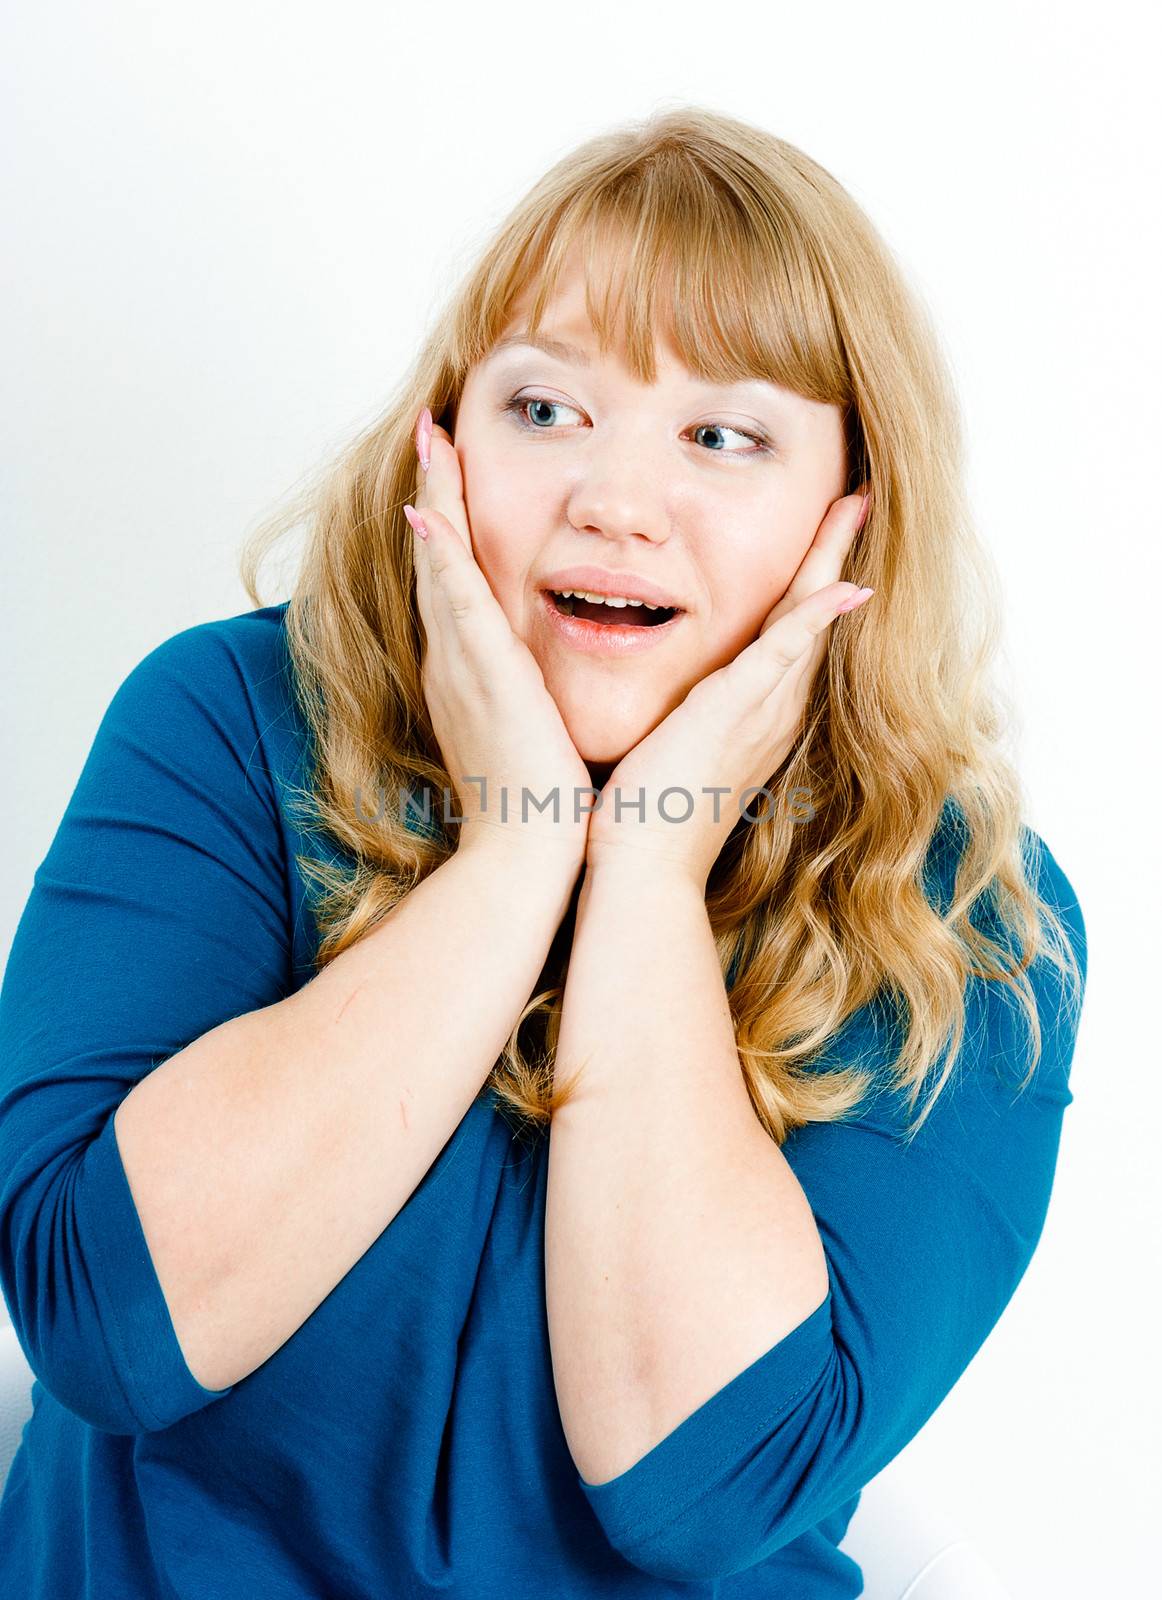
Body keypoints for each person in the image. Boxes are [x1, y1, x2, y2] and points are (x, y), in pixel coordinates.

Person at [0, 105, 1086, 1597]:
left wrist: (642, 860)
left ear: (850, 518)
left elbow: (702, 1493)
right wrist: (516, 850)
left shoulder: (959, 911)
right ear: (443, 445)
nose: (614, 502)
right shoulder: (228, 723)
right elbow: (103, 1324)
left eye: (722, 435)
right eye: (544, 409)